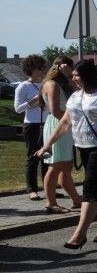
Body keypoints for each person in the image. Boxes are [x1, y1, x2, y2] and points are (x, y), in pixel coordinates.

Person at [36, 60, 97, 248]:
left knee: (90, 190)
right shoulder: (75, 97)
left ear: (87, 76)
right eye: (73, 76)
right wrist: (47, 145)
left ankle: (79, 235)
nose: (73, 79)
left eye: (77, 76)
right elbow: (65, 122)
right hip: (84, 148)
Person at [39, 56, 81, 213]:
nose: (72, 71)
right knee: (55, 166)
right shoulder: (52, 84)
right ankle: (50, 203)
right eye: (70, 67)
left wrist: (69, 77)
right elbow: (56, 110)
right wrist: (73, 121)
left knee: (66, 166)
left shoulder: (62, 83)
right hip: (58, 125)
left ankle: (76, 200)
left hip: (64, 125)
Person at [14, 54, 48, 200]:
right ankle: (32, 190)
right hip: (31, 125)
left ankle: (49, 188)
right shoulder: (23, 86)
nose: (43, 70)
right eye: (40, 67)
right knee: (33, 157)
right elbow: (18, 109)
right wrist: (32, 102)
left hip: (47, 124)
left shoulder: (46, 85)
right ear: (32, 69)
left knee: (47, 158)